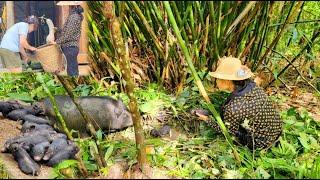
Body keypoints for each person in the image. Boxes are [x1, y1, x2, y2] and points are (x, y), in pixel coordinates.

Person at [198, 56, 283, 150]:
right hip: (276, 129)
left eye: (218, 78)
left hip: (261, 141)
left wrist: (207, 119)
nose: (216, 81)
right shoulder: (252, 85)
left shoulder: (233, 109)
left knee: (233, 130)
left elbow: (228, 132)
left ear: (227, 81)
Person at [55, 1, 84, 77]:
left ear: (73, 7)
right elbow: (68, 30)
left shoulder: (74, 17)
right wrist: (57, 30)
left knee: (72, 72)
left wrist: (56, 42)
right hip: (71, 48)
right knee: (72, 69)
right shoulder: (74, 16)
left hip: (70, 47)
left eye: (69, 6)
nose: (68, 7)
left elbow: (68, 34)